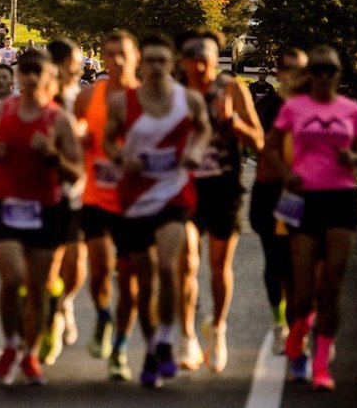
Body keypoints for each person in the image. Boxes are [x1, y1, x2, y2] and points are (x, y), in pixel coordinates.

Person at [103, 35, 211, 389]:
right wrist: (121, 158)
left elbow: (204, 128)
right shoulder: (123, 103)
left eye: (162, 61)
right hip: (134, 199)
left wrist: (195, 150)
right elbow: (107, 139)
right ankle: (151, 348)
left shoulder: (189, 100)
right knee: (143, 283)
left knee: (169, 267)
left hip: (174, 194)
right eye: (149, 61)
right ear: (140, 65)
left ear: (173, 64)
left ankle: (166, 336)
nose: (155, 67)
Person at [266, 46, 357, 391]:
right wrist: (285, 173)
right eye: (318, 70)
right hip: (303, 199)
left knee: (333, 285)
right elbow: (271, 147)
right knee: (303, 291)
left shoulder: (350, 110)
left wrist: (353, 157)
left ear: (338, 74)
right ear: (310, 74)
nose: (324, 76)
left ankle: (321, 364)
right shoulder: (295, 108)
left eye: (330, 70)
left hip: (341, 198)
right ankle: (298, 337)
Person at [0, 49, 82, 386]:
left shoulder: (59, 120)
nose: (31, 76)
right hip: (8, 205)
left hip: (45, 208)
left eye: (38, 71)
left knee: (36, 289)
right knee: (12, 280)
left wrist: (52, 156)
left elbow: (77, 173)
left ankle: (30, 353)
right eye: (25, 70)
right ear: (18, 75)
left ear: (49, 75)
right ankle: (11, 344)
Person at [178, 31, 263, 373]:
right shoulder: (178, 95)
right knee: (186, 263)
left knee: (218, 265)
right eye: (193, 57)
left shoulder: (233, 90)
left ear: (217, 60)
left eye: (206, 58)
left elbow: (259, 140)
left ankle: (218, 329)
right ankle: (187, 336)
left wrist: (232, 120)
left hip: (224, 188)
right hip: (184, 189)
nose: (199, 65)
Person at [75, 31, 141, 380]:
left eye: (122, 54)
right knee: (100, 268)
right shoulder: (90, 96)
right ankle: (103, 316)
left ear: (135, 58)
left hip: (134, 201)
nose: (116, 61)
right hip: (96, 195)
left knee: (129, 281)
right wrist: (80, 139)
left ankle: (121, 347)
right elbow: (73, 134)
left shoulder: (145, 98)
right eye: (109, 54)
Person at [251, 48, 307, 354]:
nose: (294, 74)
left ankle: (298, 328)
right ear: (278, 72)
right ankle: (280, 323)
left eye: (300, 68)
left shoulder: (315, 107)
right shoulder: (268, 107)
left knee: (300, 264)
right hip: (271, 192)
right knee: (276, 261)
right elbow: (259, 145)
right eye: (288, 68)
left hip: (305, 194)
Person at [42, 38, 86, 367]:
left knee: (76, 263)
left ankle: (65, 301)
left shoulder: (82, 97)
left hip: (81, 187)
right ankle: (50, 314)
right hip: (42, 189)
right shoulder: (38, 97)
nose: (80, 67)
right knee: (48, 262)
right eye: (76, 61)